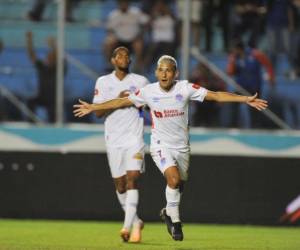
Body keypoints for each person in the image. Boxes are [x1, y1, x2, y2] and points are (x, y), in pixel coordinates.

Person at [73, 55, 268, 241]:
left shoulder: (185, 88)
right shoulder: (148, 91)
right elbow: (122, 101)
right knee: (173, 179)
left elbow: (215, 96)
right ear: (156, 73)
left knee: (178, 185)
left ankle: (167, 211)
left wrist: (245, 99)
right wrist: (93, 107)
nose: (164, 73)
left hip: (182, 147)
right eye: (160, 70)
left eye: (168, 70)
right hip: (160, 145)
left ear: (175, 73)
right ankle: (176, 222)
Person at [92, 46, 149, 243]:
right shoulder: (103, 82)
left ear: (130, 60)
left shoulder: (140, 81)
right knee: (120, 186)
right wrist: (119, 99)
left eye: (127, 55)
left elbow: (150, 105)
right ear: (113, 61)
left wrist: (135, 99)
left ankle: (126, 227)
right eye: (120, 55)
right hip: (113, 140)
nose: (124, 57)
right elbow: (98, 112)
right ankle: (136, 221)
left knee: (132, 178)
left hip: (134, 139)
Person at [226, 39, 275, 128]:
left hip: (254, 88)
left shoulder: (255, 54)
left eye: (235, 50)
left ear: (239, 49)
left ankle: (256, 128)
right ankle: (233, 126)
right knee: (233, 104)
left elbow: (268, 64)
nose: (234, 52)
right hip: (241, 87)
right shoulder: (234, 58)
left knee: (255, 109)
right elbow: (230, 72)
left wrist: (271, 78)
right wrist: (232, 61)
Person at [25, 31, 66, 123]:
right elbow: (32, 55)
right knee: (30, 101)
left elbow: (61, 56)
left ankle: (54, 125)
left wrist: (54, 45)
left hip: (54, 99)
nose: (47, 59)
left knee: (53, 117)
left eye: (51, 57)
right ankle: (31, 123)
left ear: (55, 59)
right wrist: (29, 40)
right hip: (42, 97)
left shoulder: (59, 69)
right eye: (47, 57)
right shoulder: (42, 67)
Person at [102, 0, 149, 73]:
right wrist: (112, 36)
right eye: (121, 3)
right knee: (108, 42)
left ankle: (138, 66)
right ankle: (110, 64)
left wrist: (141, 34)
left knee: (139, 45)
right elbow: (109, 30)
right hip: (119, 40)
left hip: (133, 40)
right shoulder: (113, 15)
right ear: (118, 4)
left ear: (128, 3)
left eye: (125, 3)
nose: (123, 5)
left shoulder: (136, 12)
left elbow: (146, 22)